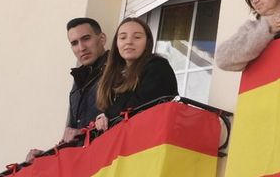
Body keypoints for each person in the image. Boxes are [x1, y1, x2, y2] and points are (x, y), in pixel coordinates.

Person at [24, 16, 109, 161]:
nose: (81, 48)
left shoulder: (120, 67)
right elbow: (72, 135)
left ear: (102, 39)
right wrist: (42, 159)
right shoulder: (77, 83)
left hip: (111, 156)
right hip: (87, 164)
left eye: (86, 38)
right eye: (75, 43)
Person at [93, 17, 178, 130]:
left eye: (137, 37)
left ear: (147, 42)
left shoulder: (158, 67)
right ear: (116, 44)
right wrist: (101, 118)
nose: (129, 41)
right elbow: (105, 108)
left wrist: (108, 115)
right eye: (123, 37)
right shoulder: (111, 75)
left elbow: (137, 107)